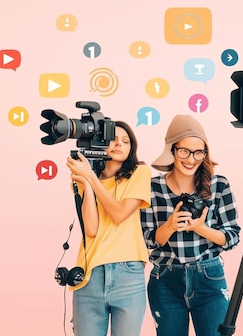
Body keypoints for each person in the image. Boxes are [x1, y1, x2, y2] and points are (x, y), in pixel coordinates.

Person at [141, 114, 241, 336]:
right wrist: (169, 226)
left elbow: (232, 237)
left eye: (198, 152)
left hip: (209, 276)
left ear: (205, 153)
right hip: (164, 278)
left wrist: (200, 228)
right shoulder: (152, 187)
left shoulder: (219, 184)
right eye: (184, 151)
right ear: (172, 150)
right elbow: (146, 238)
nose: (191, 158)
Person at [65, 121, 151, 336]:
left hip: (128, 274)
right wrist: (88, 180)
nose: (119, 144)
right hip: (89, 274)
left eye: (125, 141)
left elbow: (119, 214)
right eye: (113, 139)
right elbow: (91, 229)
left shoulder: (140, 173)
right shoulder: (85, 178)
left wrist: (91, 179)